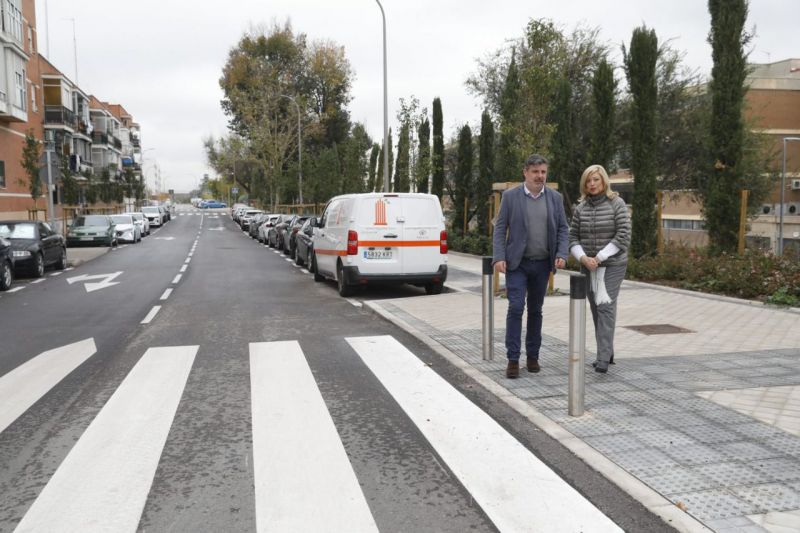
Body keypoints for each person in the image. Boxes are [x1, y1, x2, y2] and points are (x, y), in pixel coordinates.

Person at [493, 154, 569, 379]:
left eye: (543, 172)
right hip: (517, 264)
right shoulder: (510, 197)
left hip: (543, 265)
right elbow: (499, 229)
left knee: (536, 310)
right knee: (516, 307)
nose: (540, 176)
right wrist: (498, 257)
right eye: (535, 172)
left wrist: (562, 253)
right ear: (525, 172)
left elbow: (563, 229)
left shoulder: (555, 198)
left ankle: (533, 356)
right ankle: (513, 359)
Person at [568, 164, 631, 373]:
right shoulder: (581, 208)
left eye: (596, 179)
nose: (592, 184)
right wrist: (584, 258)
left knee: (605, 305)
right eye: (588, 180)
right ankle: (607, 350)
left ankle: (603, 358)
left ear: (604, 180)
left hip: (612, 265)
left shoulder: (617, 204)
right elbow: (572, 237)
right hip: (589, 266)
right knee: (596, 308)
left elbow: (623, 235)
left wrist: (600, 256)